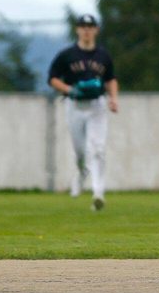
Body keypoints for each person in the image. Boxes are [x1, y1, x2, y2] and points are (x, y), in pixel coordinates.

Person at [48, 13, 119, 211]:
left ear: (95, 30)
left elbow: (111, 79)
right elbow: (52, 78)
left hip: (97, 104)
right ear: (77, 29)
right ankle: (81, 174)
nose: (86, 30)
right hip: (75, 105)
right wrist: (70, 89)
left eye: (90, 26)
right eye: (83, 26)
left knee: (97, 148)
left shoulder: (103, 55)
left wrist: (113, 98)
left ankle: (98, 193)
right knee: (80, 151)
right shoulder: (67, 55)